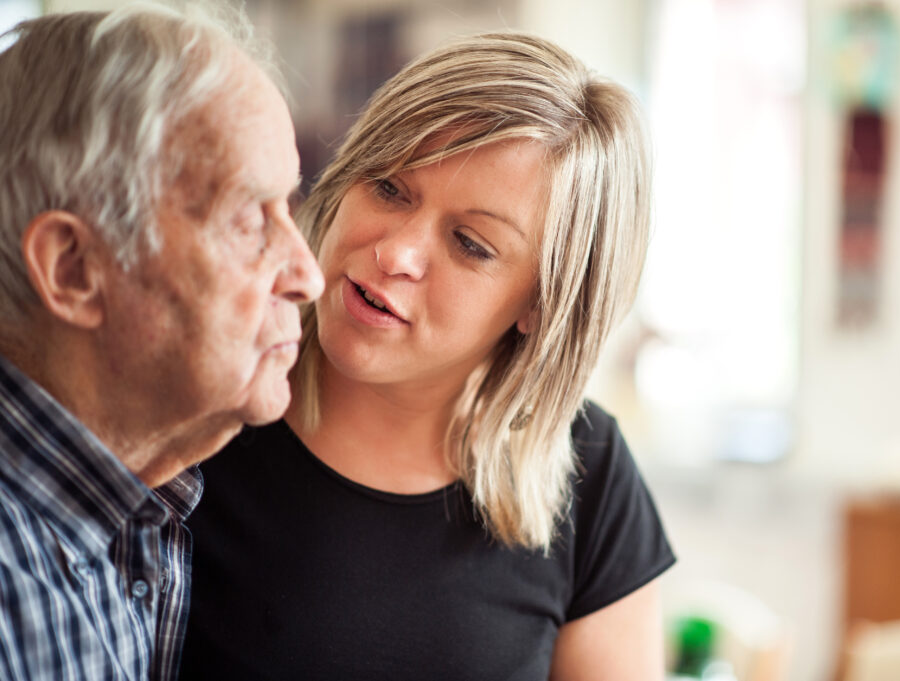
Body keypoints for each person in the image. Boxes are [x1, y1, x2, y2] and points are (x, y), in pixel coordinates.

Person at [181, 32, 674, 680]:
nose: (396, 253)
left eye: (471, 243)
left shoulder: (592, 474)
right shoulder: (196, 403)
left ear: (541, 306)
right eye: (388, 187)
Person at [0, 5, 323, 680]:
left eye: (288, 211)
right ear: (74, 269)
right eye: (250, 221)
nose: (308, 275)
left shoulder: (147, 499)